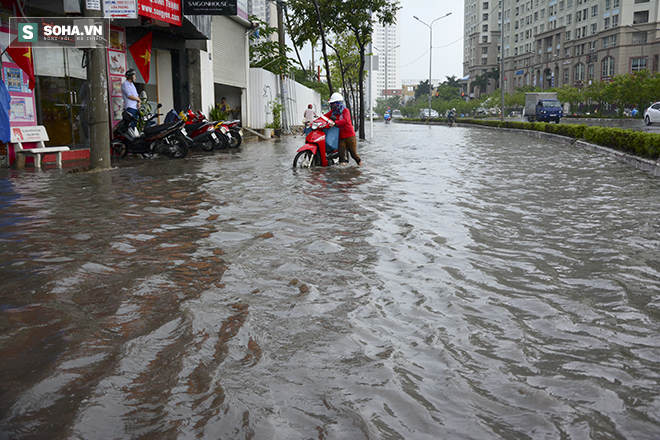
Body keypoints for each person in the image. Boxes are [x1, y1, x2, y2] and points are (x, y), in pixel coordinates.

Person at [324, 92, 361, 166]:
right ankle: (343, 174)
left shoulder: (345, 110)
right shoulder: (333, 113)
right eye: (331, 104)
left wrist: (335, 123)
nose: (332, 106)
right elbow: (324, 117)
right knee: (341, 155)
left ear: (338, 103)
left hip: (350, 136)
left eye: (333, 104)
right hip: (341, 137)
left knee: (353, 154)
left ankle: (361, 167)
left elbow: (345, 120)